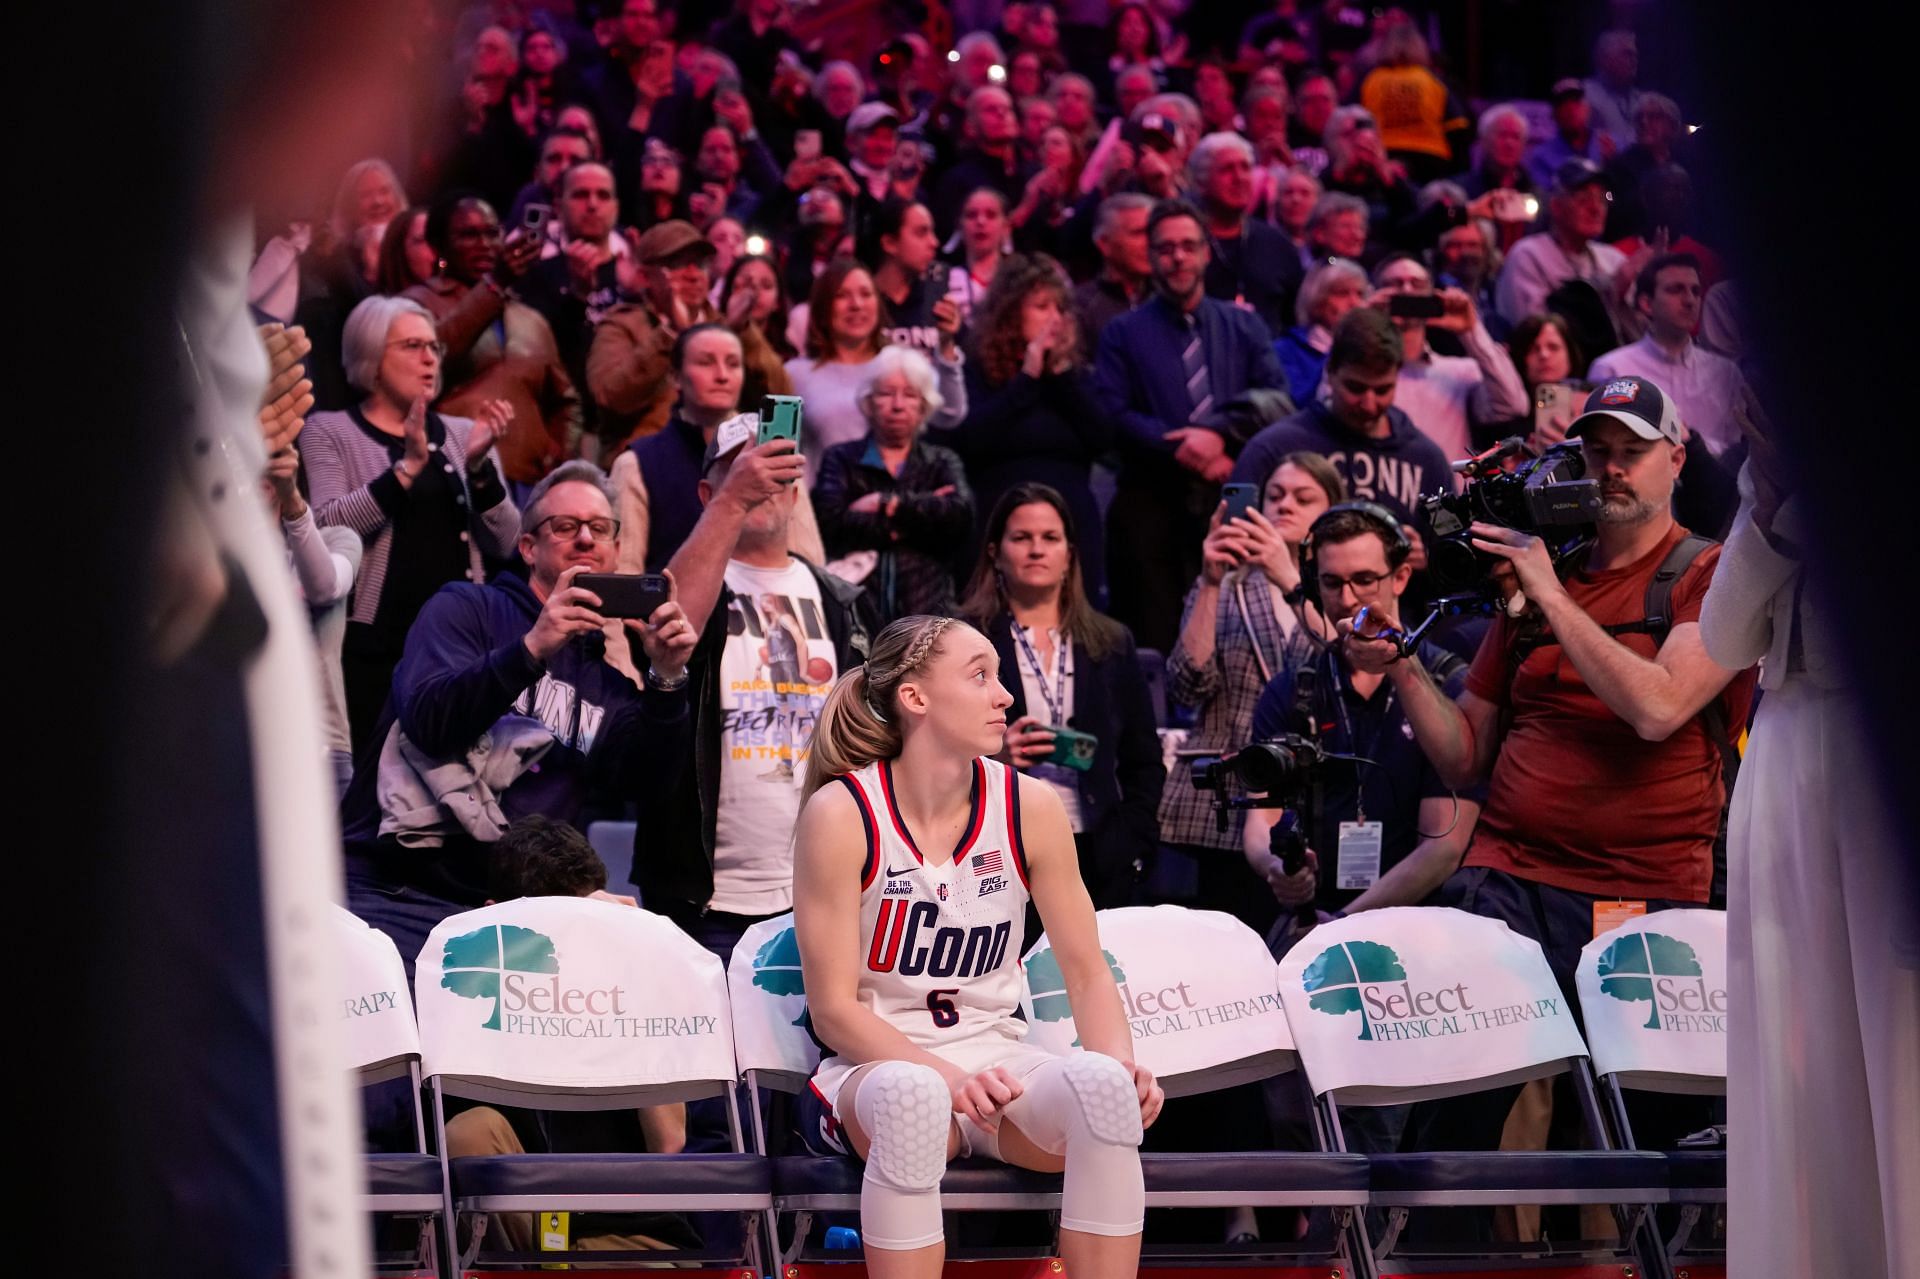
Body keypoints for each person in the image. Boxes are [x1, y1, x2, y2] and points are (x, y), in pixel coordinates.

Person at [1343, 372, 1755, 1008]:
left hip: (1642, 889)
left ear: (1676, 459)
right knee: (1458, 1094)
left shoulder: (1707, 572)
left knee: (1638, 1107)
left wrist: (1551, 595)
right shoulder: (1543, 577)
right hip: (1506, 874)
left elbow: (1659, 707)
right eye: (1597, 452)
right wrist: (1400, 660)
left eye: (1632, 451)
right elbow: (1463, 757)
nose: (1612, 469)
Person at [791, 613, 1163, 1277]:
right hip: (875, 1072)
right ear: (916, 698)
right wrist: (951, 1080)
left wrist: (1122, 1063)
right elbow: (834, 1012)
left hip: (997, 1061)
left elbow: (1084, 969)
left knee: (1104, 1088)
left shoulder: (1031, 805)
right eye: (981, 675)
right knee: (915, 1098)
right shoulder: (843, 813)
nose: (1006, 695)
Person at [1700, 408, 1918, 1279]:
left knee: (1897, 1040)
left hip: (1881, 750)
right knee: (1798, 1055)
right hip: (1786, 753)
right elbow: (1723, 639)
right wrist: (1776, 510)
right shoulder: (1766, 483)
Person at [339, 460, 698, 968]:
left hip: (511, 909)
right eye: (566, 526)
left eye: (600, 529)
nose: (585, 539)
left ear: (616, 552)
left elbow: (649, 784)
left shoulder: (607, 685)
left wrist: (666, 679)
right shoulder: (466, 608)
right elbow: (427, 718)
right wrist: (532, 648)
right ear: (529, 547)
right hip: (398, 889)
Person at [642, 425, 873, 959]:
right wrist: (733, 499)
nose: (760, 477)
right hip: (707, 899)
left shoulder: (844, 600)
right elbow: (671, 627)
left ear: (795, 493)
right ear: (708, 494)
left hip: (832, 889)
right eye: (742, 467)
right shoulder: (694, 581)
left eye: (775, 467)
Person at [446, 815, 696, 1261]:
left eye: (575, 922)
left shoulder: (630, 984)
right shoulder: (463, 988)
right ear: (491, 916)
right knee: (470, 1131)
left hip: (624, 1232)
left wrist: (633, 959)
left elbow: (668, 1143)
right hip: (519, 1236)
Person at [1241, 503, 1482, 933]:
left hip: (1420, 924)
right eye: (1332, 583)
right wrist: (1277, 865)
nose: (1347, 599)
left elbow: (1444, 847)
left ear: (1402, 577)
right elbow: (1262, 818)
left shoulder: (1445, 681)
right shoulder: (1296, 690)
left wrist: (1343, 924)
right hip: (1311, 918)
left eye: (1364, 580)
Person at [304, 296, 523, 754]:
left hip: (461, 646)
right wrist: (406, 469)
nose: (429, 358)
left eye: (434, 347)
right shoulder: (328, 431)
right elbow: (325, 527)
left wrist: (481, 470)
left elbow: (507, 542)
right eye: (412, 346)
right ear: (370, 357)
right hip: (373, 648)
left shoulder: (467, 435)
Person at [956, 486, 1165, 911]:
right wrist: (995, 758)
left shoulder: (1111, 641)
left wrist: (1133, 844)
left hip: (1099, 853)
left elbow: (1143, 759)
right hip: (996, 846)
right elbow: (929, 747)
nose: (1036, 549)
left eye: (1050, 538)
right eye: (1022, 538)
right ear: (995, 552)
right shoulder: (960, 638)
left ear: (1070, 554)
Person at [1159, 453, 1344, 929]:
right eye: (1275, 495)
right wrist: (1209, 581)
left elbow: (1349, 666)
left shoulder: (1341, 589)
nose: (1285, 505)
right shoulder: (1226, 587)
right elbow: (1186, 684)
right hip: (1227, 801)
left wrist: (1288, 577)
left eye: (1304, 499)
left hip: (1318, 798)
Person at [1093, 198, 1287, 651]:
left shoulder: (1244, 325)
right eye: (1165, 248)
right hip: (1149, 501)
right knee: (1154, 637)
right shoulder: (1122, 332)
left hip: (1232, 500)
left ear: (1204, 252)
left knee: (1232, 635)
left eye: (1187, 246)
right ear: (1152, 256)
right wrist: (1180, 447)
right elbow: (1111, 415)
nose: (1177, 257)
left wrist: (1216, 433)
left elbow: (1278, 399)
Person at [952, 253, 1110, 603]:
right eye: (1041, 307)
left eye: (1059, 309)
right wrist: (1026, 378)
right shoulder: (978, 372)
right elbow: (970, 441)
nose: (1054, 319)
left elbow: (1104, 439)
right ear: (1010, 313)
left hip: (1070, 525)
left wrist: (1061, 376)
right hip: (998, 522)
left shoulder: (1076, 378)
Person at [1232, 307, 1452, 556]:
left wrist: (1429, 559)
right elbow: (1232, 534)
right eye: (1355, 388)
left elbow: (1452, 548)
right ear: (1330, 372)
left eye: (1382, 390)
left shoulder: (1428, 461)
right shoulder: (1273, 448)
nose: (1369, 404)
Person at [610, 322, 823, 575]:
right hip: (674, 610)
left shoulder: (774, 453)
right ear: (675, 377)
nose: (722, 375)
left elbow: (810, 569)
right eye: (705, 362)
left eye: (733, 364)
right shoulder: (638, 463)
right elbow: (624, 579)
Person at [405, 196, 581, 487]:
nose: (485, 244)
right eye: (469, 235)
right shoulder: (416, 304)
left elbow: (566, 401)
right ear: (439, 244)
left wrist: (560, 456)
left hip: (529, 483)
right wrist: (496, 284)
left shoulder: (528, 317)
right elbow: (435, 358)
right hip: (451, 476)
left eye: (492, 233)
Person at [814, 347, 976, 622]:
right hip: (855, 610)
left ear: (924, 406)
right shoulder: (841, 458)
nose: (898, 405)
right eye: (887, 394)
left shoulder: (940, 461)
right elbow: (831, 522)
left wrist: (885, 503)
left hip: (929, 610)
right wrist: (920, 517)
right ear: (869, 401)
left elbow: (959, 519)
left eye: (910, 395)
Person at [785, 259, 966, 469]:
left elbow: (950, 413)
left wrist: (945, 344)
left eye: (866, 294)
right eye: (842, 295)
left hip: (895, 497)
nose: (856, 305)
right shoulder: (795, 374)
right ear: (823, 307)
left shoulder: (899, 364)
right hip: (823, 496)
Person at [1369, 252, 1528, 463]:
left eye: (1417, 284)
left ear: (1431, 293)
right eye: (1395, 283)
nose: (1407, 290)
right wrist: (1361, 323)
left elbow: (1513, 405)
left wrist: (1471, 330)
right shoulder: (1364, 379)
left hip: (1448, 491)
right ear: (1377, 293)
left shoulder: (1458, 371)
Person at [1588, 253, 1749, 460]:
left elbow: (1737, 451)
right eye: (1676, 290)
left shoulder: (1726, 373)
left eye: (1696, 291)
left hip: (1716, 485)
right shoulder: (1612, 369)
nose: (1690, 300)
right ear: (1646, 303)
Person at [586, 219, 723, 450]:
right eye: (679, 263)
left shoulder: (723, 327)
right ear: (644, 277)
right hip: (642, 464)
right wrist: (669, 334)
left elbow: (776, 392)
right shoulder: (622, 325)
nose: (694, 274)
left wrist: (746, 335)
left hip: (716, 464)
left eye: (700, 263)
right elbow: (610, 395)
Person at [516, 161, 627, 405]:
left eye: (603, 195)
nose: (592, 204)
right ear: (558, 207)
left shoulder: (633, 278)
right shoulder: (535, 275)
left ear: (616, 208)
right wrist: (578, 295)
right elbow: (536, 353)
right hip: (561, 410)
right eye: (580, 194)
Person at [1493, 158, 1630, 334]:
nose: (1596, 208)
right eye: (1584, 198)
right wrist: (1613, 289)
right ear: (1556, 206)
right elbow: (1536, 335)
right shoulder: (1528, 256)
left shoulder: (1614, 259)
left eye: (1602, 198)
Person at [1188, 132, 1304, 337]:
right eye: (1227, 169)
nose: (1239, 178)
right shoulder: (1184, 244)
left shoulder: (1278, 244)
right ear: (1201, 182)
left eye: (1245, 168)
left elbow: (1295, 320)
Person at [1356, 25, 1467, 183]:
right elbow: (1458, 125)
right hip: (1430, 160)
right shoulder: (1432, 80)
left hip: (1384, 158)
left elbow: (1350, 118)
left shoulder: (1371, 80)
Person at [864, 198, 964, 360]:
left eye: (932, 233)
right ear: (889, 243)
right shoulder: (862, 304)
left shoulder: (938, 302)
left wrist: (947, 342)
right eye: (921, 232)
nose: (934, 242)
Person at [933, 87, 1029, 237]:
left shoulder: (1032, 173)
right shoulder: (957, 181)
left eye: (1007, 109)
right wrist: (1027, 206)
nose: (1001, 114)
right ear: (969, 127)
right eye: (991, 109)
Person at [1273, 257, 1368, 404]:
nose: (1354, 303)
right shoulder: (1285, 350)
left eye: (1360, 294)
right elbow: (1296, 404)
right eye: (1342, 293)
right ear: (1317, 299)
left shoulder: (1369, 348)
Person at [1070, 193, 1151, 348]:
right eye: (1137, 233)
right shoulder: (1081, 307)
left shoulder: (1166, 298)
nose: (1148, 243)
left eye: (1150, 233)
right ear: (1104, 244)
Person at [1524, 79, 1611, 193]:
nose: (1570, 110)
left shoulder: (1609, 144)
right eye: (1562, 104)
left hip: (1606, 206)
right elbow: (1545, 202)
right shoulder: (1541, 157)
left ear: (1587, 109)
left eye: (1576, 102)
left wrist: (1611, 167)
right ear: (1554, 114)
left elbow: (1613, 195)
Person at [945, 188, 1014, 323]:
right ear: (960, 226)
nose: (981, 222)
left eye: (991, 215)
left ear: (1006, 227)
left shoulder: (1019, 278)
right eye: (971, 215)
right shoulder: (946, 280)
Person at [1582, 30, 1649, 154]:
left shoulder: (1641, 100)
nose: (1634, 61)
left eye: (1635, 55)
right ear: (1604, 58)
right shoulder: (1585, 95)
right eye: (1627, 54)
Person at [1460, 105, 1538, 201]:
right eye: (1503, 135)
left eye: (1516, 137)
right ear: (1484, 140)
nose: (1510, 144)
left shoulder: (1537, 197)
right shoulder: (1460, 193)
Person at [374, 206, 438, 296]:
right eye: (421, 240)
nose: (436, 247)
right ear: (398, 252)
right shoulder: (385, 307)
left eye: (437, 238)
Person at [1304, 191, 1370, 264]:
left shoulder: (1373, 268)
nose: (1357, 235)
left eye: (1361, 228)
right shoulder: (1325, 265)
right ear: (1320, 233)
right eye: (1346, 226)